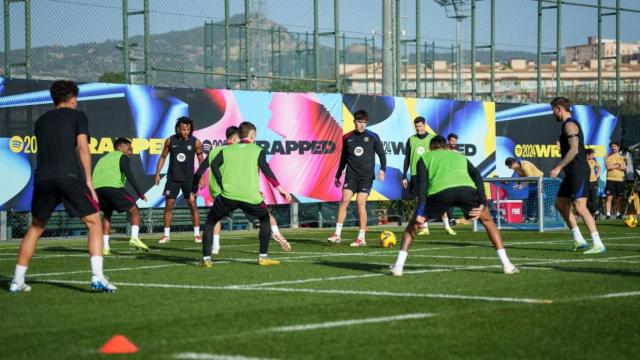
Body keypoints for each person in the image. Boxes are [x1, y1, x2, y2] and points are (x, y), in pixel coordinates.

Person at [9, 80, 115, 293]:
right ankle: (97, 277)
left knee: (36, 228)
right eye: (76, 97)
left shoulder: (41, 121)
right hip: (69, 176)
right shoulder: (78, 116)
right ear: (73, 97)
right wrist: (89, 181)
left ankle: (16, 281)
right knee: (94, 222)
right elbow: (83, 147)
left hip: (43, 179)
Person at [389, 135, 518, 276]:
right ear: (446, 146)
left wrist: (420, 212)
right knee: (488, 221)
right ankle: (506, 264)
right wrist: (483, 202)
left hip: (440, 193)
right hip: (466, 191)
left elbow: (423, 187)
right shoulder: (459, 156)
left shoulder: (425, 158)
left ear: (430, 147)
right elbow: (476, 176)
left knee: (410, 229)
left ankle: (398, 266)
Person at [194, 121, 291, 267]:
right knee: (265, 219)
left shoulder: (226, 150)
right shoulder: (258, 150)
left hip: (228, 195)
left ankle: (206, 259)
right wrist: (280, 188)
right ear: (252, 135)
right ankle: (263, 257)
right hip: (250, 197)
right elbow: (266, 170)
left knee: (210, 223)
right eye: (255, 136)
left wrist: (221, 184)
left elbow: (213, 165)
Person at [549, 97, 605, 254]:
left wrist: (558, 167)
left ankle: (598, 243)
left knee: (580, 206)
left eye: (553, 110)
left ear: (559, 109)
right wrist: (561, 149)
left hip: (579, 171)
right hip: (572, 172)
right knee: (561, 203)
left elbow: (574, 150)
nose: (553, 113)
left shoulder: (570, 125)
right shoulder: (566, 126)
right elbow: (571, 150)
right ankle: (579, 240)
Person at [328, 110, 386, 247]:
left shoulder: (373, 137)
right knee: (344, 201)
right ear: (354, 121)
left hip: (366, 177)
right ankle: (337, 235)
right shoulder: (347, 137)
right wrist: (338, 174)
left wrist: (383, 169)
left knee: (361, 202)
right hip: (351, 176)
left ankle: (361, 238)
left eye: (364, 122)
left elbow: (382, 155)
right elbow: (343, 158)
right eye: (360, 122)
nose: (362, 125)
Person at [93, 138, 149, 255]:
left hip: (97, 189)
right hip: (112, 188)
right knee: (134, 209)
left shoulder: (103, 158)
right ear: (119, 147)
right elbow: (129, 175)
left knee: (107, 215)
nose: (131, 152)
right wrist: (140, 193)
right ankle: (134, 238)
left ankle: (105, 247)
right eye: (129, 149)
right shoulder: (121, 156)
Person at [402, 117, 455, 236]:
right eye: (416, 127)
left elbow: (440, 154)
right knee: (419, 200)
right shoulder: (411, 140)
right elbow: (407, 158)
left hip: (431, 172)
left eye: (420, 126)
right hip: (416, 174)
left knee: (439, 198)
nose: (418, 128)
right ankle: (424, 227)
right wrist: (404, 175)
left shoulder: (432, 138)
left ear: (424, 125)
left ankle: (447, 226)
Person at [154, 117, 205, 243]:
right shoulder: (170, 141)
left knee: (192, 205)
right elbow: (163, 157)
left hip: (189, 179)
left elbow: (201, 161)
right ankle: (166, 235)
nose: (186, 131)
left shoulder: (196, 142)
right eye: (183, 129)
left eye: (188, 129)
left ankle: (197, 234)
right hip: (173, 179)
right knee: (169, 205)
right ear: (178, 128)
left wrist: (202, 177)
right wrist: (157, 173)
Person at [505, 157, 544, 222]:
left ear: (514, 163)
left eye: (510, 167)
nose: (509, 169)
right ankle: (530, 218)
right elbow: (521, 177)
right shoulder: (517, 168)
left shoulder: (525, 165)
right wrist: (517, 184)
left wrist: (522, 185)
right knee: (530, 200)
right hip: (532, 182)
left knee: (538, 199)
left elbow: (530, 178)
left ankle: (539, 219)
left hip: (539, 181)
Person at [605, 141, 626, 220]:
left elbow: (624, 168)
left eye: (615, 146)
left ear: (618, 147)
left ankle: (618, 214)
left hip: (620, 179)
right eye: (612, 146)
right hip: (610, 179)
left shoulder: (622, 157)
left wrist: (614, 166)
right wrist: (618, 165)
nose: (613, 148)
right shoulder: (608, 156)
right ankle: (608, 214)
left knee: (618, 198)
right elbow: (608, 167)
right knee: (609, 197)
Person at [586, 148, 601, 217]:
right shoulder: (583, 161)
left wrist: (597, 175)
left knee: (593, 198)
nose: (593, 156)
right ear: (587, 155)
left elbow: (599, 168)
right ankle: (596, 210)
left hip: (593, 182)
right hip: (585, 183)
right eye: (592, 155)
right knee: (584, 198)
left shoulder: (593, 161)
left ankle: (593, 214)